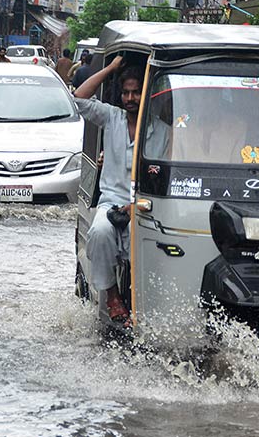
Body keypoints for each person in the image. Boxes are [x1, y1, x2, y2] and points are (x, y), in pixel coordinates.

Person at [73, 55, 169, 326]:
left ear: (146, 94)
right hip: (111, 202)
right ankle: (112, 295)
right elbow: (79, 99)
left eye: (136, 92)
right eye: (126, 92)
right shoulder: (111, 117)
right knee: (100, 231)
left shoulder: (161, 131)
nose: (130, 98)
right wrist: (112, 68)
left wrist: (135, 205)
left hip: (146, 206)